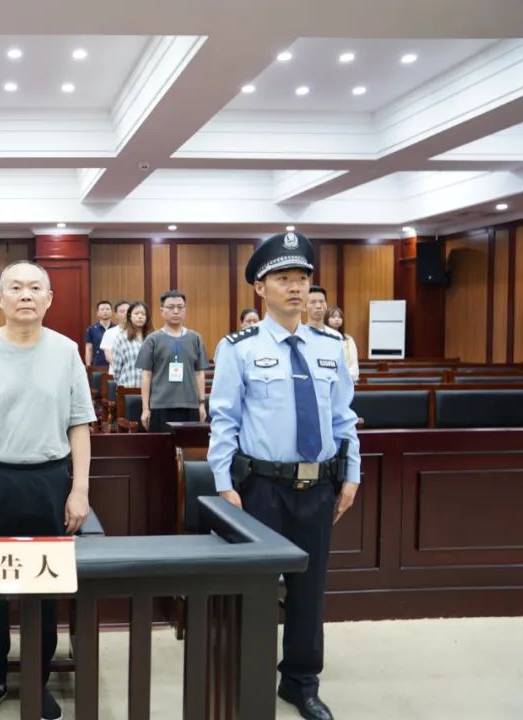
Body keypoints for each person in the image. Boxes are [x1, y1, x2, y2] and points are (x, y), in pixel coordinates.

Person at [207, 231, 360, 720]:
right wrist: (223, 482)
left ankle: (300, 682)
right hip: (261, 487)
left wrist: (352, 473)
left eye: (302, 278)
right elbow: (224, 419)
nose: (296, 287)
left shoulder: (331, 346)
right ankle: (248, 675)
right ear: (260, 287)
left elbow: (344, 417)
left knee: (309, 590)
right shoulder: (239, 348)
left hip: (318, 485)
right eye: (283, 278)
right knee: (254, 586)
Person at [0, 260, 95, 720]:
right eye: (15, 288)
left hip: (49, 482)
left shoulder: (66, 350)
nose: (26, 295)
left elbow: (80, 425)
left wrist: (79, 489)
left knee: (44, 590)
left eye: (35, 288)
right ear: (0, 299)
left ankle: (37, 680)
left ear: (49, 299)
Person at [137, 290, 207, 429]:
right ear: (161, 311)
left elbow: (199, 373)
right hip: (160, 405)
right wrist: (145, 408)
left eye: (180, 307)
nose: (176, 311)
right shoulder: (152, 339)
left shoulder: (195, 338)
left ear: (185, 310)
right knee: (162, 443)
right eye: (170, 307)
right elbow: (146, 375)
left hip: (190, 404)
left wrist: (201, 404)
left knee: (189, 443)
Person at [110, 301, 150, 388]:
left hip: (151, 389)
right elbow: (116, 368)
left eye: (143, 314)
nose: (140, 316)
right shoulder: (122, 338)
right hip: (128, 387)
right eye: (136, 313)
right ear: (129, 316)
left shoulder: (153, 338)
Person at [324, 307, 359, 382]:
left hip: (346, 378)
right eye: (333, 317)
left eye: (339, 317)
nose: (337, 319)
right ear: (326, 319)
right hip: (327, 378)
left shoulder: (348, 339)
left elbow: (353, 362)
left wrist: (348, 376)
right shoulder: (322, 338)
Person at [98, 300, 130, 372]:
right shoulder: (109, 332)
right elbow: (108, 355)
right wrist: (121, 367)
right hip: (116, 372)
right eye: (122, 311)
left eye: (128, 311)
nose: (125, 314)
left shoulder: (139, 332)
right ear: (116, 315)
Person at [84, 300, 114, 367]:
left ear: (111, 312)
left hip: (114, 365)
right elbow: (89, 348)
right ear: (97, 313)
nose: (105, 311)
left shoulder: (117, 329)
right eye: (102, 309)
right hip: (97, 365)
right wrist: (88, 366)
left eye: (107, 309)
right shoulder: (91, 329)